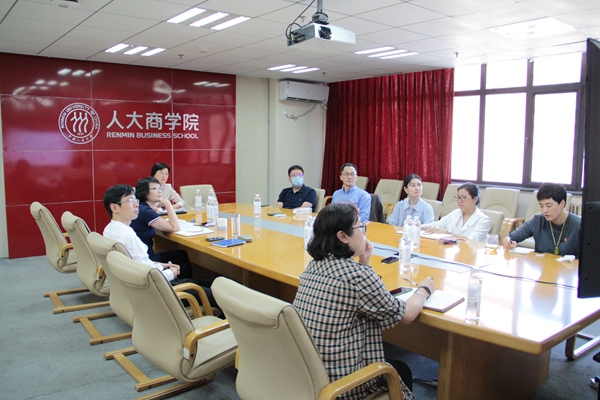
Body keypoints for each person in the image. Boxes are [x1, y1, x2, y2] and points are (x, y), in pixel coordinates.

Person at [293, 203, 435, 400]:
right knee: (400, 370)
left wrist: (364, 262)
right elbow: (407, 314)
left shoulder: (314, 265)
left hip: (309, 376)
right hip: (341, 387)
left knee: (399, 367)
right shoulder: (357, 277)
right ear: (343, 236)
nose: (364, 233)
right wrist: (424, 290)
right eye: (361, 227)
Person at [102, 184, 216, 306]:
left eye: (136, 200)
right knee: (216, 295)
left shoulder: (110, 229)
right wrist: (171, 272)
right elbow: (145, 277)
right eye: (130, 201)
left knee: (207, 283)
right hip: (156, 293)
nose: (136, 205)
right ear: (114, 207)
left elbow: (140, 264)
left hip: (144, 285)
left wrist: (161, 265)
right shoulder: (128, 237)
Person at [503, 183, 581, 257]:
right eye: (541, 206)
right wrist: (508, 241)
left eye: (548, 206)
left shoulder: (578, 225)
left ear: (562, 204)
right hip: (543, 265)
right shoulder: (538, 221)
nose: (544, 210)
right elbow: (510, 237)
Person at [421, 182, 491, 242]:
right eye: (458, 197)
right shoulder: (456, 213)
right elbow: (438, 225)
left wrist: (448, 233)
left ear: (475, 199)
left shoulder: (484, 220)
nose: (460, 200)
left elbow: (471, 240)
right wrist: (419, 226)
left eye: (463, 197)